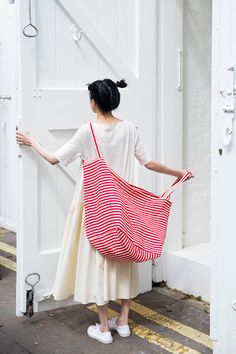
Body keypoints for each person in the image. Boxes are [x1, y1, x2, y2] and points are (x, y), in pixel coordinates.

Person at [16, 78, 193, 344]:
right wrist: (178, 172)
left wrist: (32, 141)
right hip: (123, 206)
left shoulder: (87, 131)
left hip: (94, 206)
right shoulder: (130, 129)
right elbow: (149, 163)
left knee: (99, 264)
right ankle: (122, 321)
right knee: (124, 260)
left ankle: (102, 328)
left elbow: (54, 159)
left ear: (93, 102)